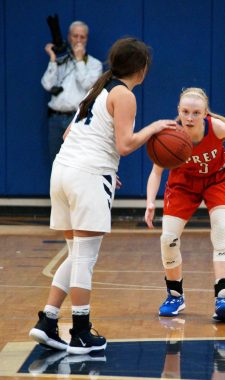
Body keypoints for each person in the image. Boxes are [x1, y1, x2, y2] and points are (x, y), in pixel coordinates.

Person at [30, 37, 177, 354]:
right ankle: (81, 331)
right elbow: (125, 145)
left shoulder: (98, 87)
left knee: (75, 253)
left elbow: (72, 133)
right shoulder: (123, 94)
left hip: (64, 172)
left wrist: (104, 165)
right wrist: (153, 129)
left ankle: (47, 320)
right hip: (87, 176)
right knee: (85, 257)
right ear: (141, 68)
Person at [144, 87, 225, 321]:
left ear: (205, 113)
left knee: (220, 230)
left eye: (196, 112)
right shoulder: (170, 135)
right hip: (182, 184)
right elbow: (156, 172)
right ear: (178, 111)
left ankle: (223, 297)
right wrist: (150, 202)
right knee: (167, 238)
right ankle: (175, 295)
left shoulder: (217, 126)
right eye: (185, 112)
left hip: (219, 180)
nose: (189, 118)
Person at [41, 20, 103, 162]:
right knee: (56, 163)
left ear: (87, 39)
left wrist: (80, 60)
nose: (78, 40)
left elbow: (88, 86)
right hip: (55, 119)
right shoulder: (61, 60)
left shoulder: (94, 64)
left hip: (77, 119)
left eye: (82, 37)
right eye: (75, 36)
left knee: (78, 163)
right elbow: (47, 84)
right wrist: (52, 59)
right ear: (69, 37)